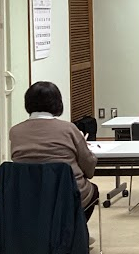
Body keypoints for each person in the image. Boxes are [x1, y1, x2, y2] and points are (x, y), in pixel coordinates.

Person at [9, 81, 98, 221]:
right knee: (92, 190)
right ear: (58, 103)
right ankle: (74, 231)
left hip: (28, 195)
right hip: (68, 194)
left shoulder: (15, 131)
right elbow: (88, 164)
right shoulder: (69, 129)